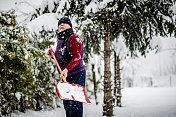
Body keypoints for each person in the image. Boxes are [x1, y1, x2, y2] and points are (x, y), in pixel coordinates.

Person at [47, 17, 86, 117]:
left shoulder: (74, 38)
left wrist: (67, 69)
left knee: (75, 103)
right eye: (59, 24)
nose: (61, 25)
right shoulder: (61, 39)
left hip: (76, 74)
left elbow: (77, 57)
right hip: (66, 75)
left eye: (64, 23)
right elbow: (62, 57)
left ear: (70, 26)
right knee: (68, 104)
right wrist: (53, 56)